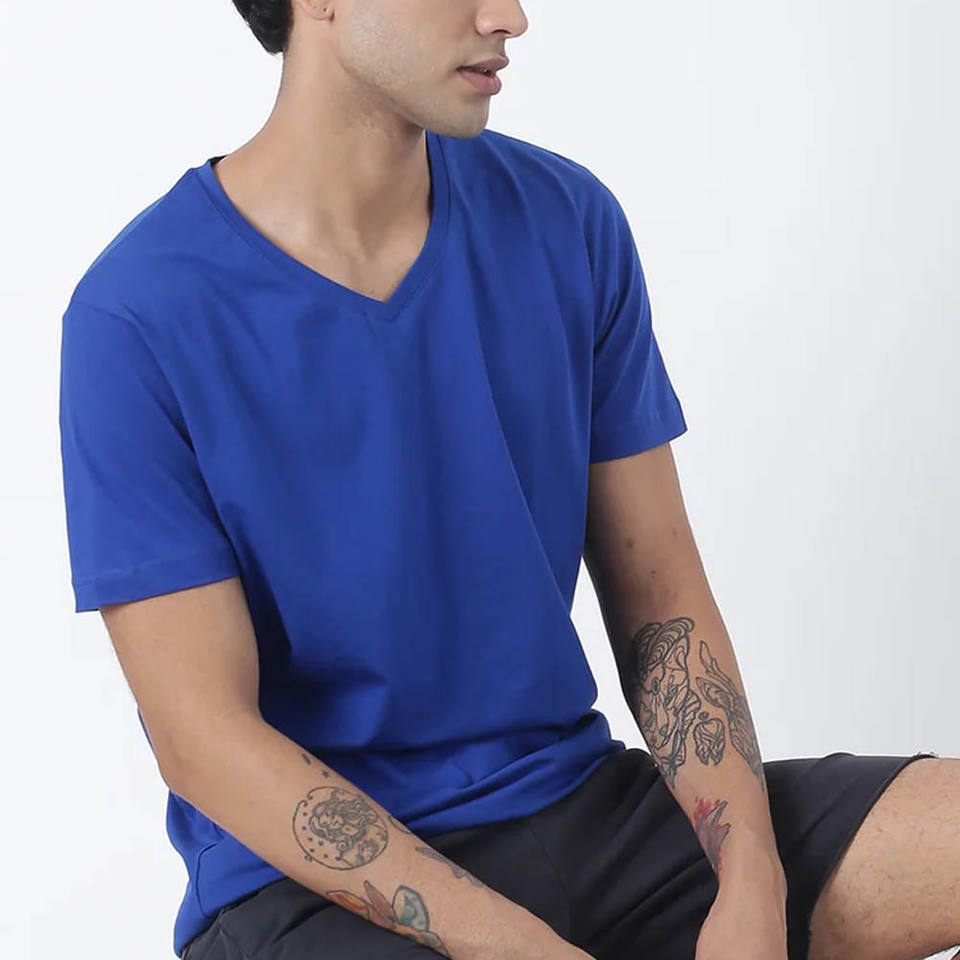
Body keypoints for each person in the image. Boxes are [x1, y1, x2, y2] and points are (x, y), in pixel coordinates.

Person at [57, 2, 959, 959]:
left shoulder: (566, 219)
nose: (511, 17)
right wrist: (518, 946)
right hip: (311, 892)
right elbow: (202, 738)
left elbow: (662, 602)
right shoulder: (138, 315)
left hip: (583, 812)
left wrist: (750, 882)